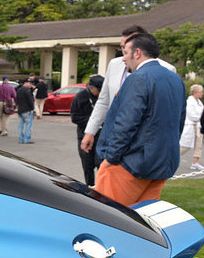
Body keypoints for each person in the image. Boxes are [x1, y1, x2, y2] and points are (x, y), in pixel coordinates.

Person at [94, 33, 185, 205]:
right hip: (162, 164)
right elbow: (178, 122)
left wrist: (110, 159)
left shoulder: (138, 78)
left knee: (111, 219)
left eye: (125, 53)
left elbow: (126, 123)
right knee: (140, 223)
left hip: (131, 165)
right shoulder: (175, 80)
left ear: (137, 53)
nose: (123, 59)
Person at [81, 25, 175, 155]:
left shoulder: (167, 70)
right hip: (112, 140)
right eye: (122, 47)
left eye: (127, 47)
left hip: (143, 147)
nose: (124, 52)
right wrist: (90, 131)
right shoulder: (114, 64)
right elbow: (103, 100)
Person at [70, 75, 104, 186]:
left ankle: (101, 189)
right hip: (84, 135)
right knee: (87, 166)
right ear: (91, 87)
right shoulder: (80, 97)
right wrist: (93, 122)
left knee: (101, 164)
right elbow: (74, 117)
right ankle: (89, 188)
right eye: (98, 90)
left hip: (101, 136)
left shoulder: (103, 97)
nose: (100, 93)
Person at [181, 84, 204, 171]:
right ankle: (171, 157)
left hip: (198, 126)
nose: (202, 94)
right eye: (200, 92)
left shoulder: (199, 102)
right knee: (186, 146)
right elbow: (192, 116)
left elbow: (202, 112)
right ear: (195, 92)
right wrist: (202, 117)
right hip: (191, 126)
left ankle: (195, 163)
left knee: (198, 145)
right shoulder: (189, 102)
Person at [16, 78, 36, 144]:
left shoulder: (19, 90)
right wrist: (32, 108)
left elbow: (17, 99)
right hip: (27, 109)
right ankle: (26, 139)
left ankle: (21, 139)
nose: (31, 85)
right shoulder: (27, 90)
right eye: (30, 83)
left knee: (21, 125)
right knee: (28, 124)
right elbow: (30, 100)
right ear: (26, 83)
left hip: (20, 109)